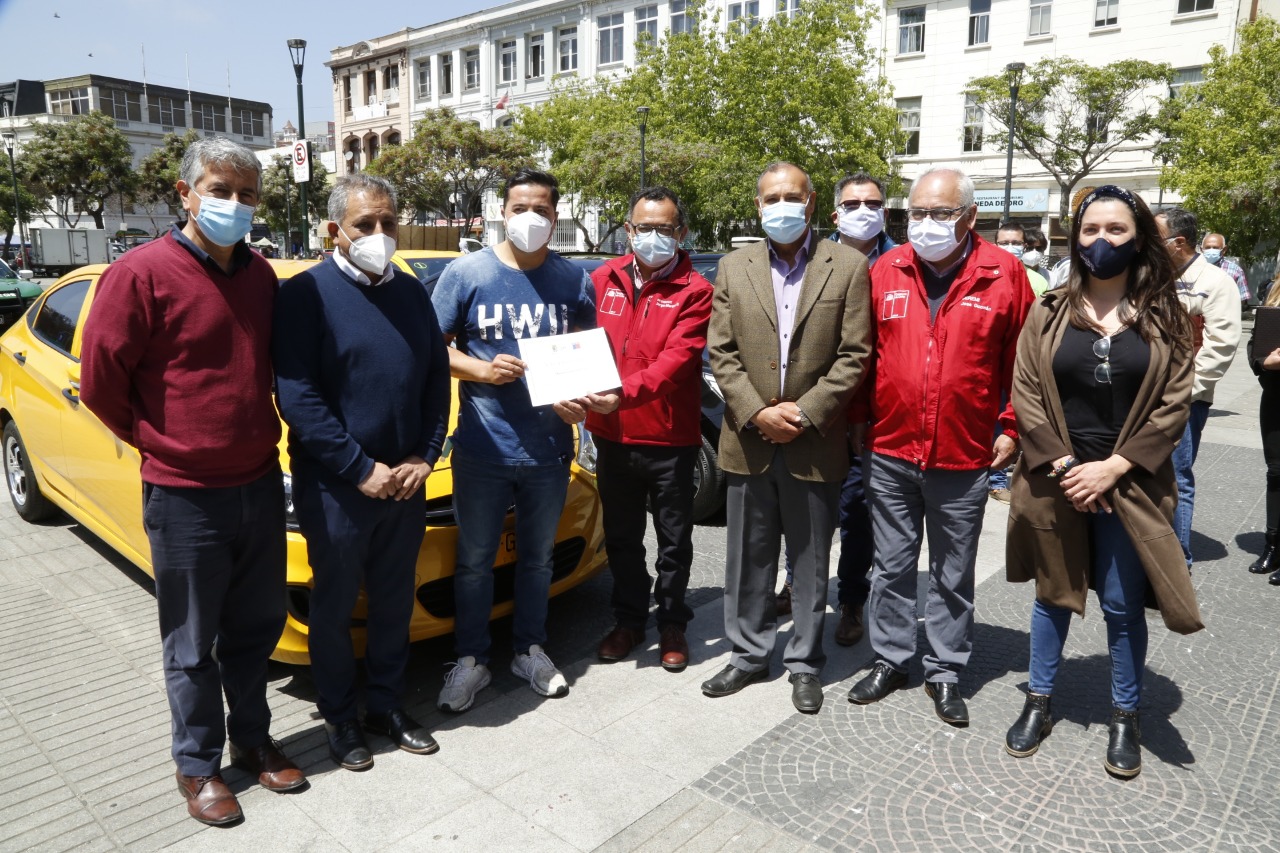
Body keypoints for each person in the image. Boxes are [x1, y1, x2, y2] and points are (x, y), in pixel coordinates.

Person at [80, 137, 304, 827]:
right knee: (191, 641)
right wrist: (167, 444)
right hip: (184, 497)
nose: (234, 204)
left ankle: (253, 739)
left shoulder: (260, 276)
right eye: (219, 190)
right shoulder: (138, 274)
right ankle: (197, 764)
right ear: (186, 193)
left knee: (255, 630)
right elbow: (100, 384)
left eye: (246, 194)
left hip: (259, 484)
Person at [1004, 184, 1202, 778]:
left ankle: (1125, 713)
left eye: (1116, 230)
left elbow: (1174, 404)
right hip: (1057, 480)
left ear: (1138, 238)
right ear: (1075, 238)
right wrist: (1066, 467)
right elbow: (1025, 392)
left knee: (1121, 603)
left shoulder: (1167, 314)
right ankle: (1039, 700)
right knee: (1053, 596)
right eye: (1091, 230)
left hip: (1130, 484)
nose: (1101, 240)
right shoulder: (1048, 310)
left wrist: (1114, 468)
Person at [273, 174, 451, 771]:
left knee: (394, 601)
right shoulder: (305, 294)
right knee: (334, 605)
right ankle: (340, 717)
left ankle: (385, 705)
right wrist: (360, 469)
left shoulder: (412, 293)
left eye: (388, 223)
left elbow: (434, 380)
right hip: (338, 488)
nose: (379, 234)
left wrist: (425, 455)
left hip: (405, 484)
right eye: (364, 224)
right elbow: (298, 399)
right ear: (334, 231)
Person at [846, 167, 1032, 727]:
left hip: (964, 454)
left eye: (941, 213)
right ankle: (890, 658)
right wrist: (858, 420)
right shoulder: (886, 269)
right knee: (891, 567)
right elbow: (862, 357)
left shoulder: (1004, 274)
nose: (926, 224)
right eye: (918, 213)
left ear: (970, 217)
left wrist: (1011, 427)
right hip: (891, 449)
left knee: (954, 571)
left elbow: (1024, 364)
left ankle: (945, 669)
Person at [703, 162, 871, 714]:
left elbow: (855, 355)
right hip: (748, 440)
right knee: (748, 559)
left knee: (810, 560)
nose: (782, 206)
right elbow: (721, 352)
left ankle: (804, 661)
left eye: (792, 196)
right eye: (771, 197)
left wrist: (804, 412)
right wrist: (756, 412)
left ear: (812, 201)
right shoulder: (733, 266)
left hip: (813, 439)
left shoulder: (847, 266)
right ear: (758, 205)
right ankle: (749, 655)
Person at [432, 168, 596, 712]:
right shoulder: (466, 272)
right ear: (502, 212)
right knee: (475, 561)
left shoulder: (574, 281)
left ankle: (530, 649)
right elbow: (431, 348)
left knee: (538, 560)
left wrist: (580, 401)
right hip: (482, 448)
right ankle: (471, 660)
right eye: (520, 208)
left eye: (541, 210)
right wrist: (480, 370)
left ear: (555, 215)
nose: (530, 218)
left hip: (548, 450)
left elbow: (585, 360)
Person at [555, 187, 712, 671]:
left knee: (674, 542)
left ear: (681, 233)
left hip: (670, 440)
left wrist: (623, 393)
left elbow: (677, 361)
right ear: (628, 230)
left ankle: (672, 623)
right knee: (621, 538)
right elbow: (576, 341)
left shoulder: (696, 290)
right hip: (612, 436)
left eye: (664, 228)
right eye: (644, 228)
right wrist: (564, 387)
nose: (653, 236)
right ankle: (628, 620)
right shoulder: (602, 278)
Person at [775, 172, 895, 647]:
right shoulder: (811, 258)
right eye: (853, 203)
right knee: (803, 511)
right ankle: (795, 583)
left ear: (886, 210)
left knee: (858, 514)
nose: (863, 211)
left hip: (873, 416)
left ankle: (851, 600)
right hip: (814, 411)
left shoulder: (901, 264)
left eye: (873, 203)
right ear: (834, 213)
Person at [1156, 208, 1241, 570]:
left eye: (1154, 237)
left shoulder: (1215, 281)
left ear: (1178, 242)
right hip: (1142, 395)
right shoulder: (1153, 276)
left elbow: (1220, 346)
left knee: (1176, 478)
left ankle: (1177, 563)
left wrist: (1184, 391)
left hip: (1184, 401)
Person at [1246, 282, 1280, 582]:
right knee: (1277, 472)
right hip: (1276, 396)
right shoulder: (1275, 293)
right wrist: (1263, 362)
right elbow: (1255, 345)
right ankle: (1274, 545)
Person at [1200, 232, 1251, 309]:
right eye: (1207, 247)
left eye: (1215, 248)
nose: (1211, 250)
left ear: (1224, 250)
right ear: (1201, 249)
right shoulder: (1194, 269)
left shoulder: (1235, 271)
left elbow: (1242, 299)